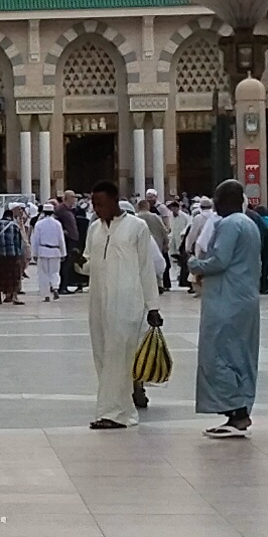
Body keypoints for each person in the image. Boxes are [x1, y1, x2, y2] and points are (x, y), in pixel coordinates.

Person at [80, 182, 167, 428]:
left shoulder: (136, 228)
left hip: (127, 302)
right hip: (98, 302)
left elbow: (145, 268)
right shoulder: (95, 229)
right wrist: (78, 264)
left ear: (115, 200)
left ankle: (114, 414)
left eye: (102, 204)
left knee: (120, 356)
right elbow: (90, 263)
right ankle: (115, 410)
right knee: (103, 356)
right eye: (94, 204)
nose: (98, 209)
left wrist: (153, 306)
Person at [191, 182, 265, 435]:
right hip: (243, 298)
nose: (214, 202)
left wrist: (194, 264)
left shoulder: (230, 224)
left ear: (227, 199)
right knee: (240, 354)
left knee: (220, 354)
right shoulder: (248, 223)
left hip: (227, 300)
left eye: (217, 197)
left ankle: (236, 411)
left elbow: (219, 260)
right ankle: (240, 408)